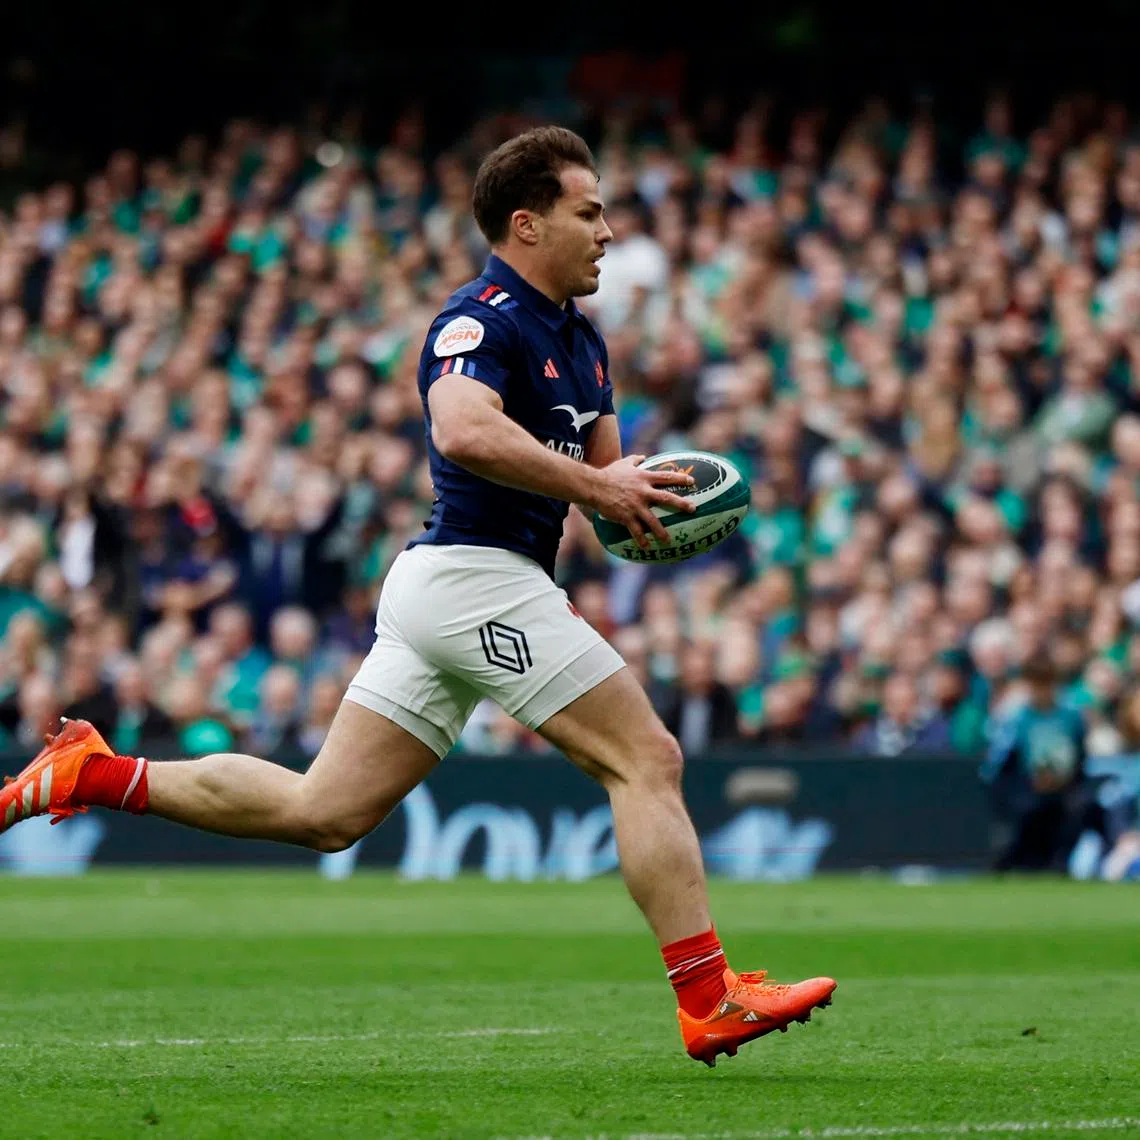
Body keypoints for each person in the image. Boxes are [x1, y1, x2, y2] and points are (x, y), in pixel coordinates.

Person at [0, 126, 834, 1066]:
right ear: (527, 224)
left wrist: (652, 503)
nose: (608, 232)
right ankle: (708, 996)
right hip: (475, 576)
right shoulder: (478, 320)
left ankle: (92, 774)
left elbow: (609, 486)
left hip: (465, 587)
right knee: (647, 758)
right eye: (589, 212)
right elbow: (463, 431)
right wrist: (600, 489)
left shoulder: (583, 340)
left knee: (324, 813)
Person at [979, 658, 1106, 872]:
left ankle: (1061, 863)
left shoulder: (1070, 716)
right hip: (1027, 787)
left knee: (1081, 806)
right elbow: (999, 765)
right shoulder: (1017, 719)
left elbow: (1080, 756)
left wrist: (1064, 780)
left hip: (1066, 789)